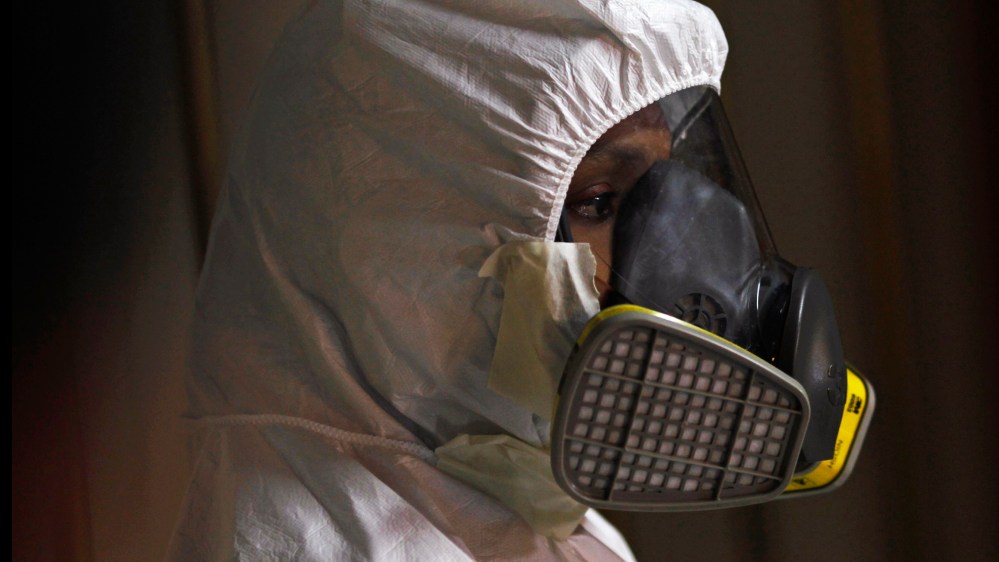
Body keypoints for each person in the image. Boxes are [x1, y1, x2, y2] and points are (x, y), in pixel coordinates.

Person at [170, 0, 867, 559]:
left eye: (671, 182)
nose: (686, 254)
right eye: (599, 202)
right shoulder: (311, 542)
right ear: (409, 249)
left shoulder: (514, 507)